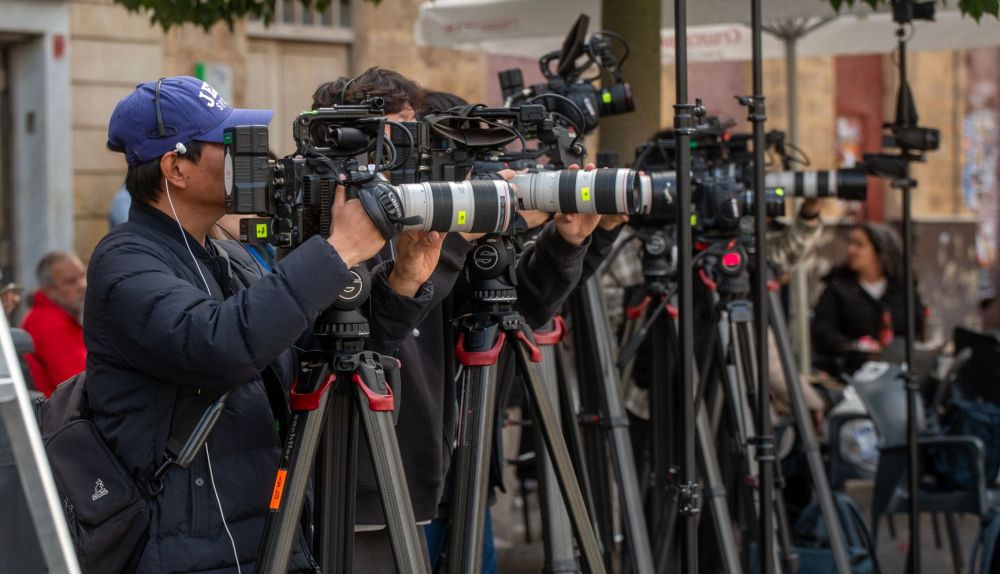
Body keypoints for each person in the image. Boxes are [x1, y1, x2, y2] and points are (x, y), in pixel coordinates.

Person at [89, 75, 440, 573]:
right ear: (175, 168)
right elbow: (220, 345)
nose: (251, 157)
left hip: (265, 533)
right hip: (189, 552)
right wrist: (338, 250)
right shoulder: (124, 261)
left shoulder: (228, 257)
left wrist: (403, 282)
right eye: (230, 143)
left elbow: (312, 355)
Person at [313, 76, 602, 573]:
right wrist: (452, 241)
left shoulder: (425, 212)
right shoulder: (326, 224)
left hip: (430, 466)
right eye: (393, 135)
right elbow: (368, 338)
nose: (405, 151)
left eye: (411, 133)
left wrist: (565, 242)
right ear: (342, 139)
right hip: (353, 475)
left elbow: (515, 308)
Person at [812, 222, 926, 378]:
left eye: (859, 245)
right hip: (848, 373)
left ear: (880, 252)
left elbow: (916, 331)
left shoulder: (903, 290)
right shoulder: (837, 289)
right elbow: (823, 332)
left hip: (896, 373)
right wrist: (856, 346)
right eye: (851, 243)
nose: (851, 250)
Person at [21, 251, 87, 397]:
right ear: (49, 291)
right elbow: (79, 388)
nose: (82, 285)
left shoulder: (51, 316)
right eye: (71, 282)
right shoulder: (51, 323)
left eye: (83, 276)